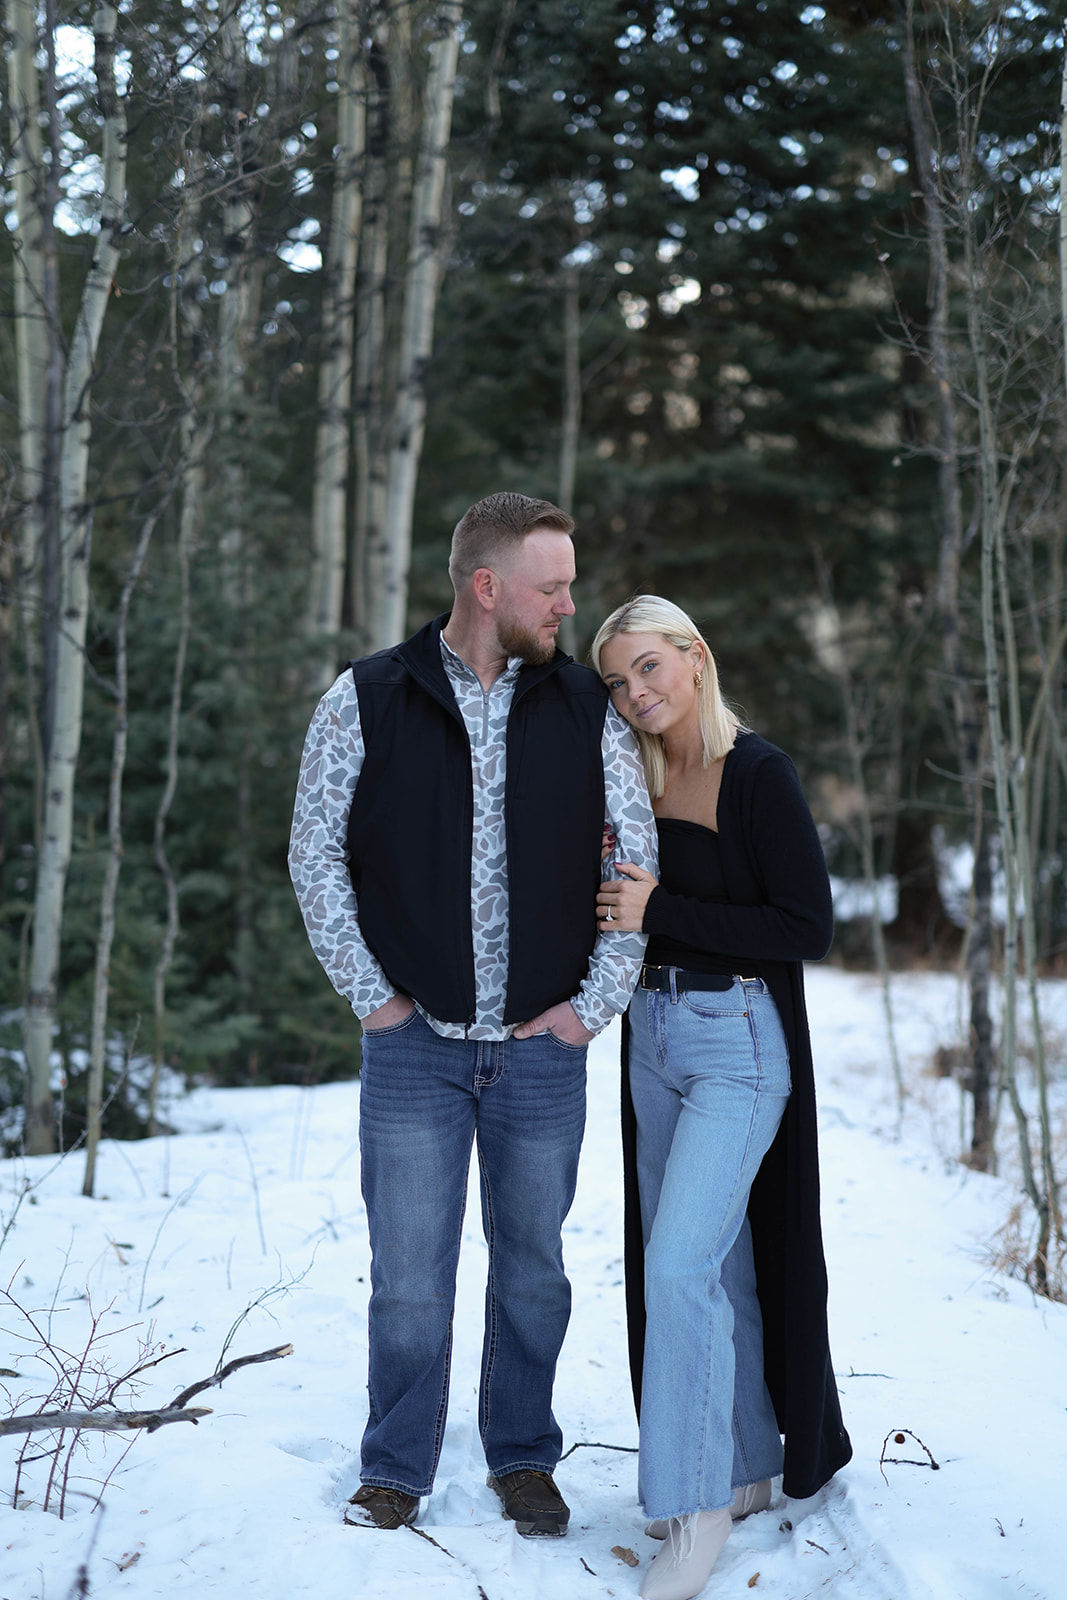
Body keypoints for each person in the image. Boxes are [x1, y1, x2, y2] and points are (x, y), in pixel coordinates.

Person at [288, 494, 657, 1539]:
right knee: (408, 1278)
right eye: (554, 586)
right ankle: (394, 1465)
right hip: (415, 1052)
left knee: (532, 1271)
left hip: (542, 1052)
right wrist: (374, 999)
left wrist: (592, 1009)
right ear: (486, 587)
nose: (569, 604)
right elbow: (313, 852)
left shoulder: (585, 706)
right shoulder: (364, 698)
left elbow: (633, 862)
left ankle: (522, 1455)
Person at [590, 596, 852, 1600]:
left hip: (737, 1043)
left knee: (677, 1263)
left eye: (648, 667)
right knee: (717, 1263)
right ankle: (740, 1466)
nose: (635, 693)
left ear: (695, 657)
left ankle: (691, 1510)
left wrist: (662, 908)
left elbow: (803, 925)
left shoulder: (758, 774)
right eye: (617, 680)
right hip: (648, 1039)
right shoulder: (633, 774)